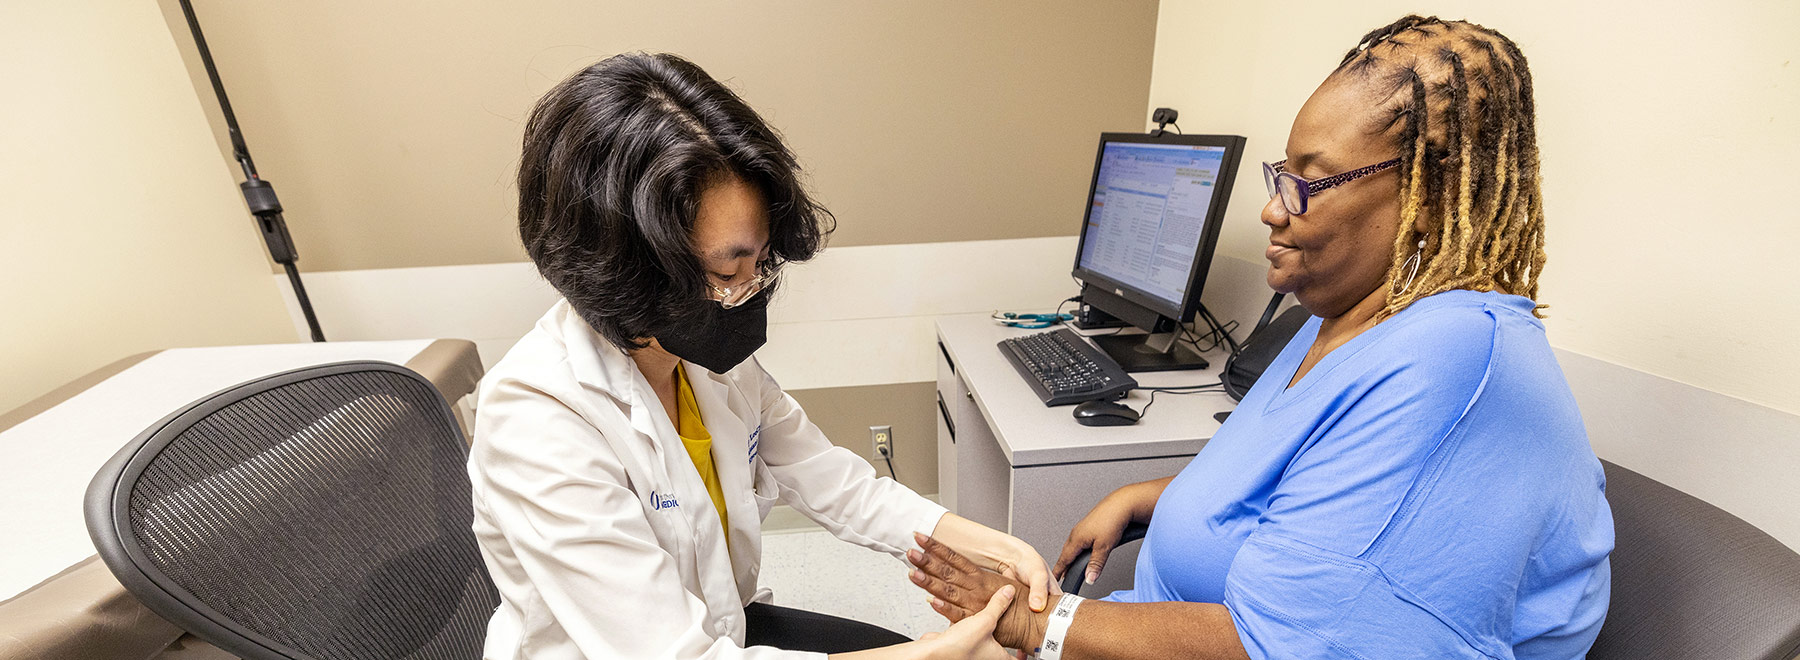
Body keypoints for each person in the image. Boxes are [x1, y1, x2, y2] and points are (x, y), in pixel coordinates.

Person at [908, 15, 1613, 660]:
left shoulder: (1451, 360)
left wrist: (1039, 624)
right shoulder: (1340, 318)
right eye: (1283, 173)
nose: (1274, 209)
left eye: (1311, 182)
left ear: (1427, 195)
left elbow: (1286, 647)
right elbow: (1302, 479)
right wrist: (1154, 494)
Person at [469, 52, 1051, 660]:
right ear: (627, 268)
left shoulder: (696, 356)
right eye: (727, 269)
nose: (748, 292)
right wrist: (933, 654)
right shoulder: (536, 422)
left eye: (762, 262)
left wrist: (993, 546)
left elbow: (830, 479)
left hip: (727, 626)